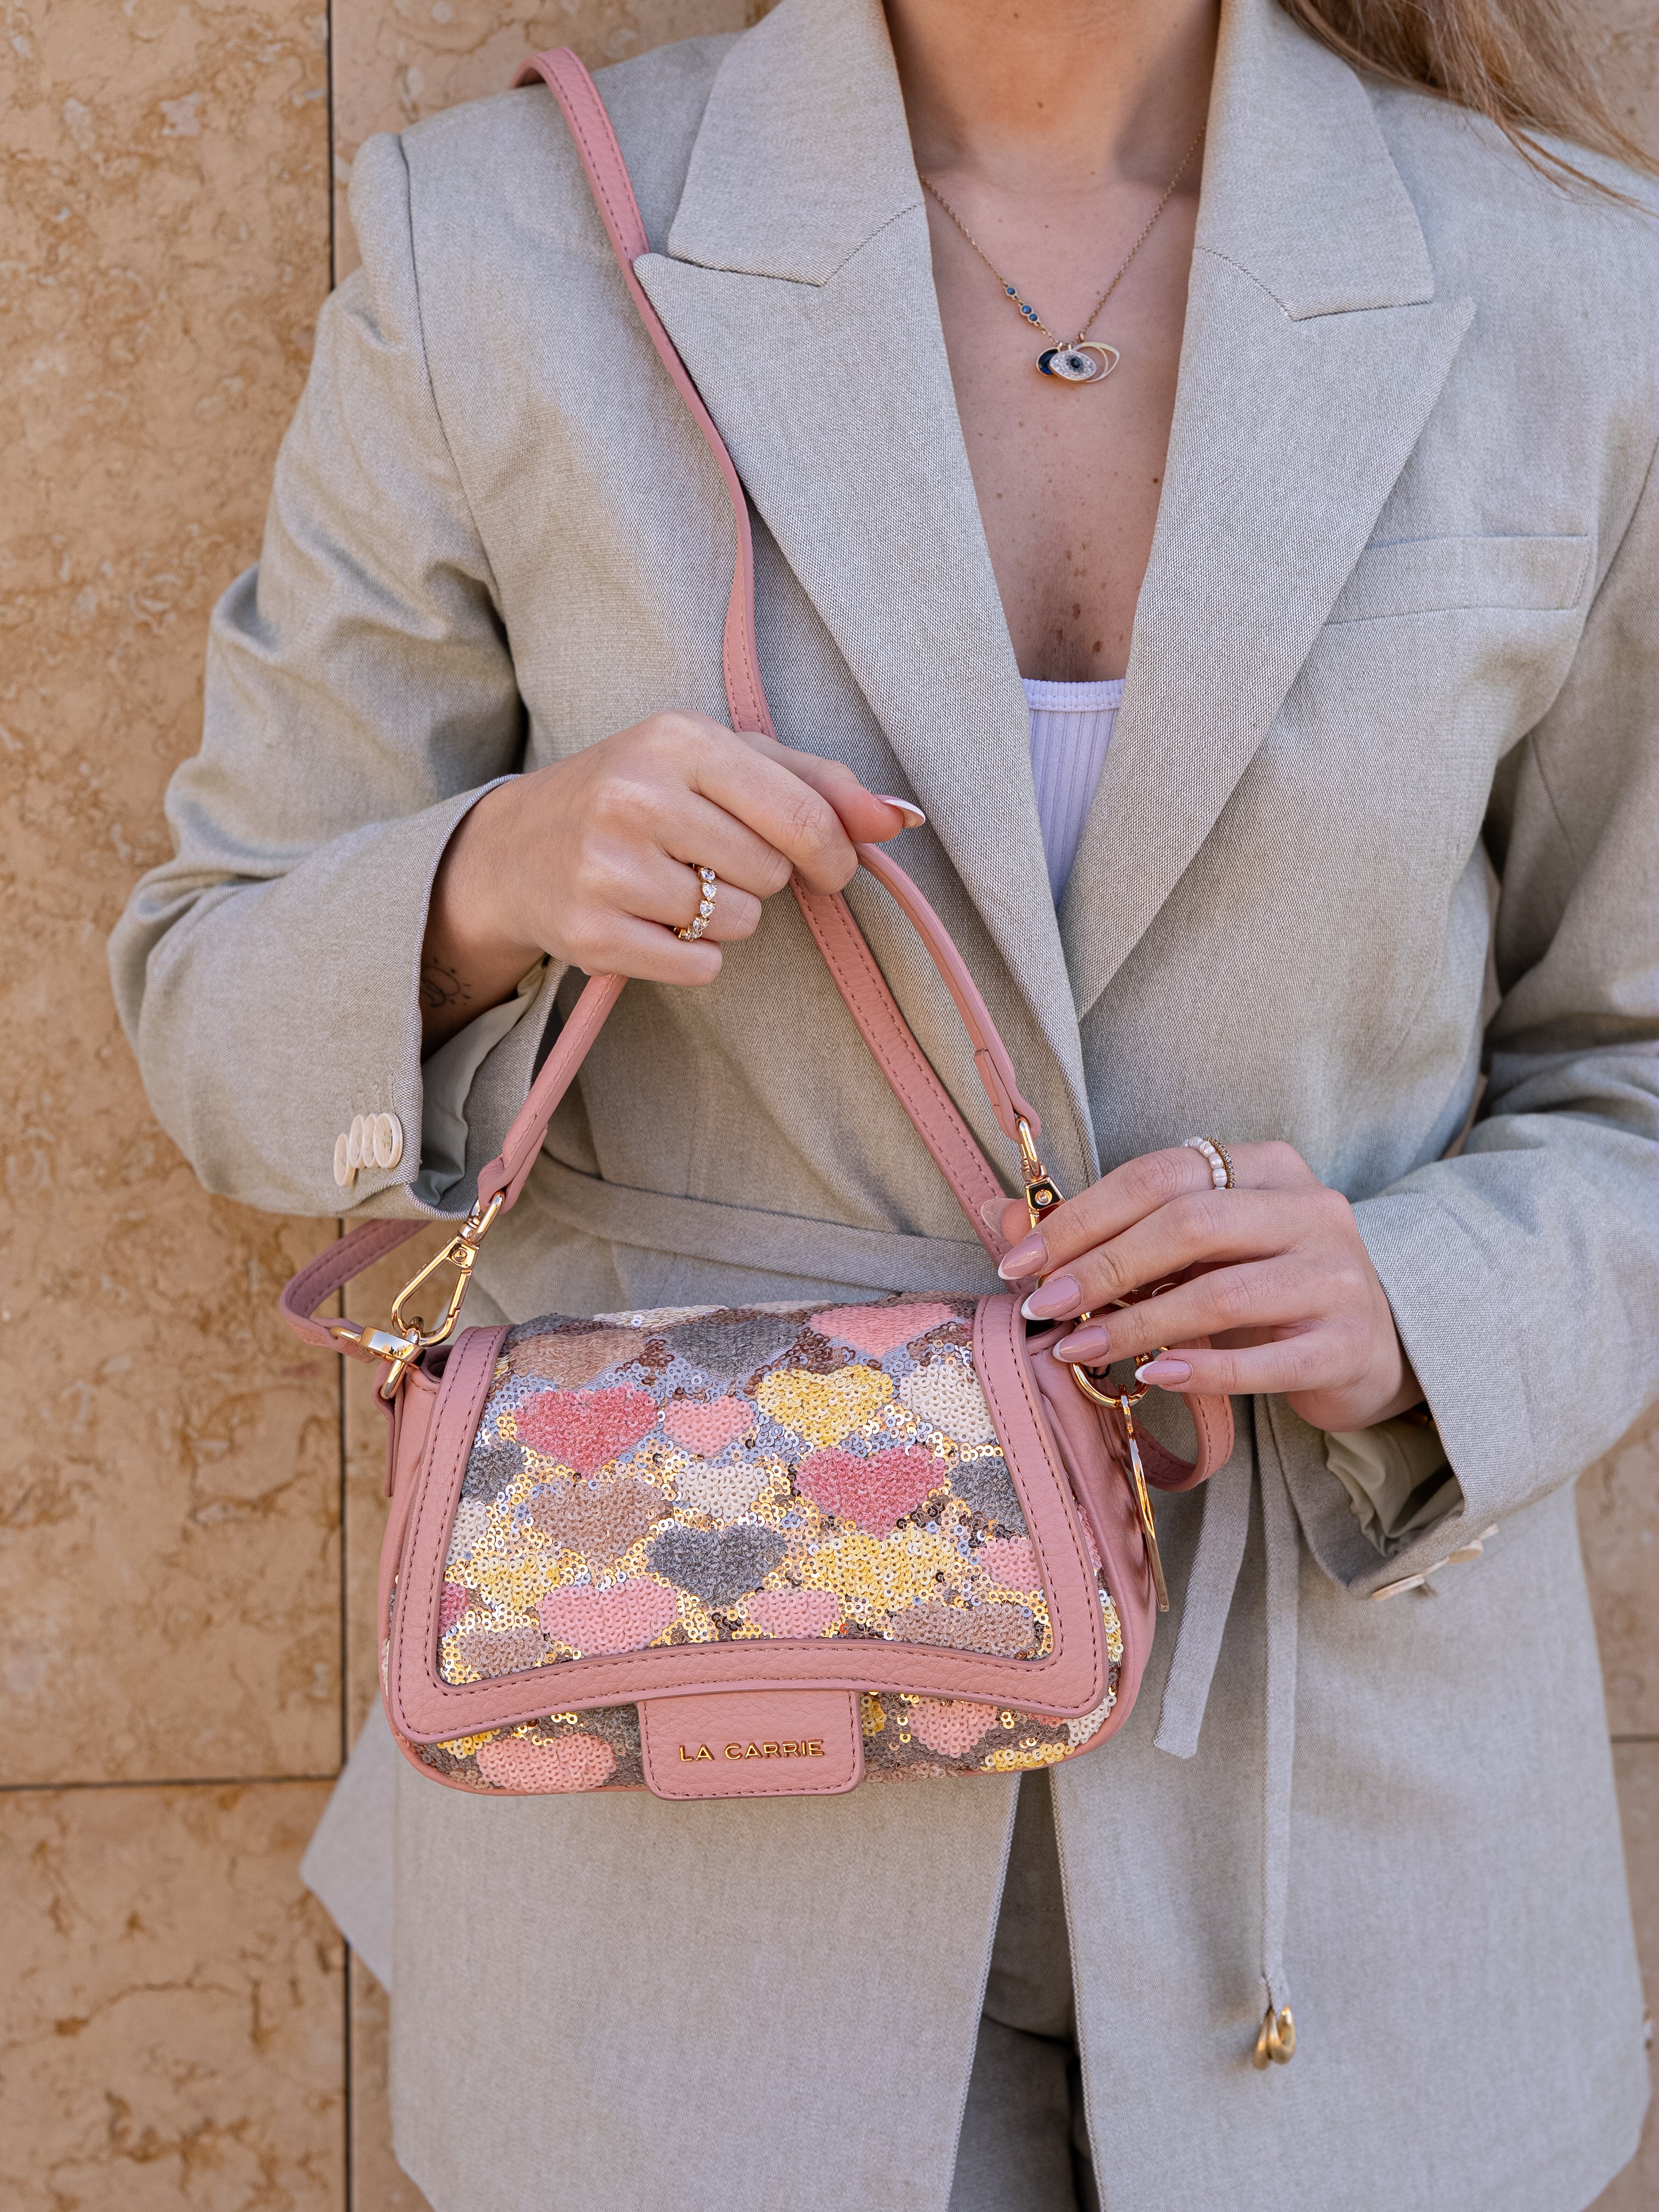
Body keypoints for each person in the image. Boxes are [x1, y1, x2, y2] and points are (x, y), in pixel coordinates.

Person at [110, 0, 1657, 2205]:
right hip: (682, 1829)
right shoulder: (504, 241)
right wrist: (490, 881)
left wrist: (1428, 1303)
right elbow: (211, 997)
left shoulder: (1575, 283)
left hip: (1335, 1844)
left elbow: (1634, 1053)